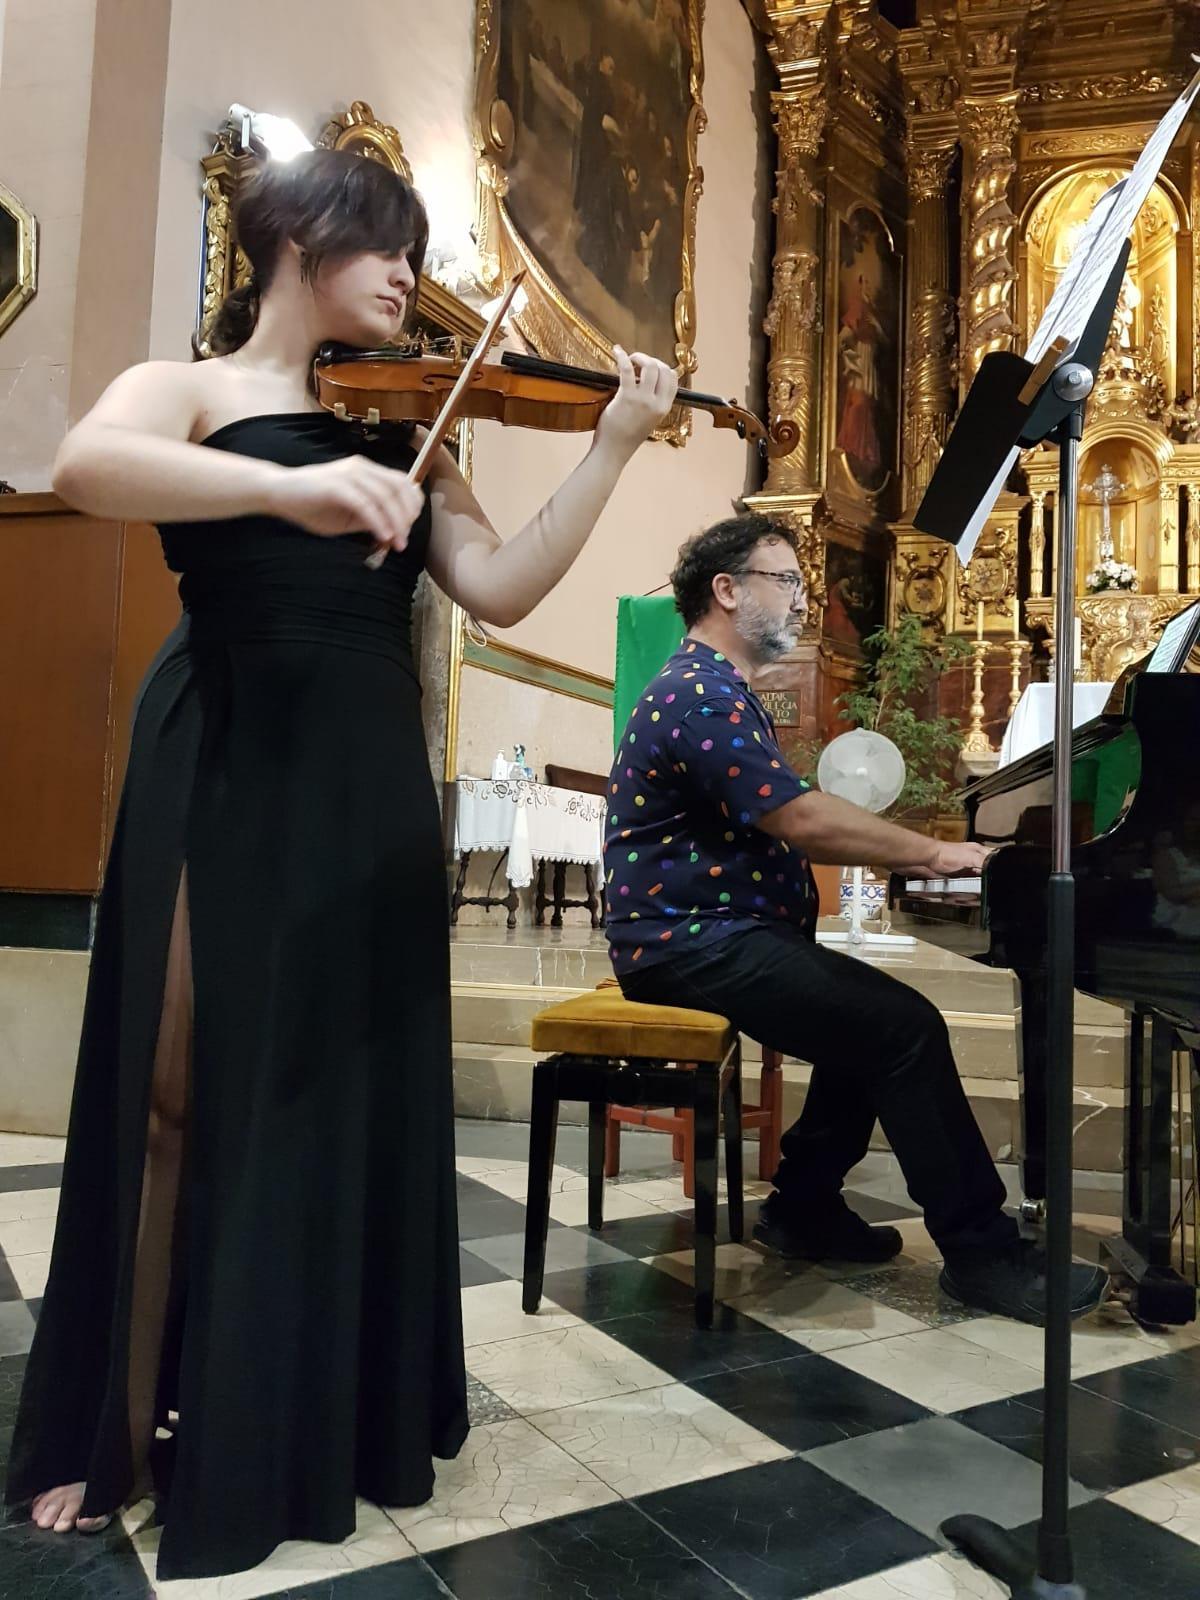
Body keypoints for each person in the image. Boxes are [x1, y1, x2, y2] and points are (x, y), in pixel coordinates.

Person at [9, 148, 678, 1579]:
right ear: (298, 241)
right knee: (177, 1093)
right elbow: (85, 466)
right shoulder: (194, 389)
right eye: (383, 249)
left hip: (366, 778)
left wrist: (613, 443)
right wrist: (286, 499)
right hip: (233, 739)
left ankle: (307, 1419)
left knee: (336, 1098)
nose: (405, 279)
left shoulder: (407, 439)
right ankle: (113, 1427)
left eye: (414, 254)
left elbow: (498, 586)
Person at [605, 511, 1108, 1327]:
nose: (804, 602)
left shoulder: (710, 687)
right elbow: (799, 818)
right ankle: (981, 1253)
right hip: (688, 942)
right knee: (903, 1027)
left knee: (867, 1023)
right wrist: (936, 854)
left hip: (714, 936)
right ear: (726, 591)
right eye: (787, 581)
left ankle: (801, 1205)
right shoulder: (698, 692)